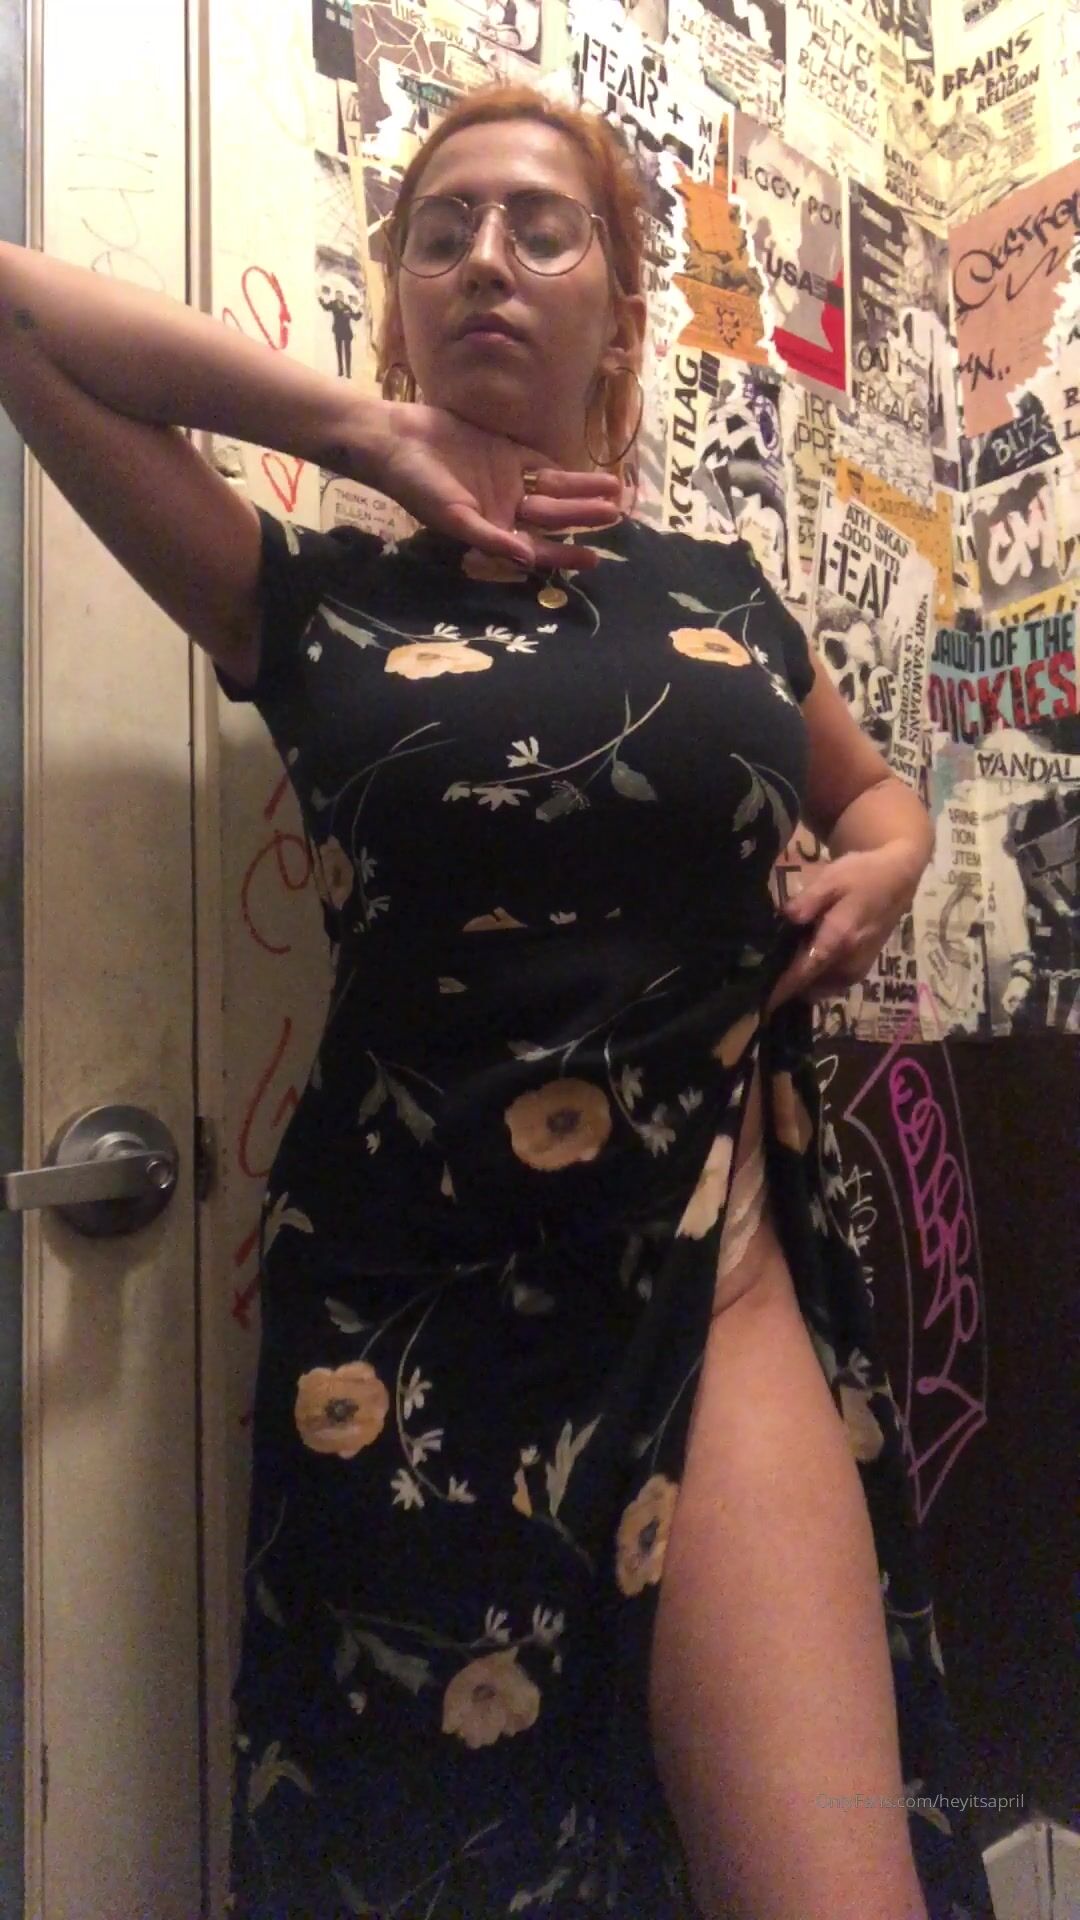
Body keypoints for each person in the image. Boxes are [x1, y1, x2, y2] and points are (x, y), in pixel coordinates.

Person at [0, 81, 995, 1920]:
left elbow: (873, 797)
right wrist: (365, 430)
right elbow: (17, 312)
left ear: (619, 311)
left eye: (545, 227)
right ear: (398, 299)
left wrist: (895, 856)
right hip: (408, 1329)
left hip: (713, 1293)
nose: (487, 257)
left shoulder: (723, 596)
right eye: (442, 228)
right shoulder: (304, 600)